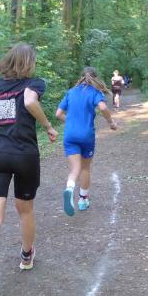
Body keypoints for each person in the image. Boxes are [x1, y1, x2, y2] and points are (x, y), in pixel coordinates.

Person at [0, 43, 58, 296]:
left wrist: (3, 114)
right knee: (25, 210)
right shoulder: (34, 83)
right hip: (24, 155)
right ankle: (26, 255)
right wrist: (47, 126)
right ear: (29, 62)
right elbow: (30, 101)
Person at [55, 66, 118, 216]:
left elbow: (58, 114)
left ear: (81, 77)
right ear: (95, 78)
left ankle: (69, 188)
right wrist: (111, 122)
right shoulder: (95, 92)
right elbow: (103, 107)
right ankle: (83, 200)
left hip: (70, 135)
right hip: (86, 136)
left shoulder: (71, 92)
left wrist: (71, 122)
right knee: (85, 168)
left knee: (75, 169)